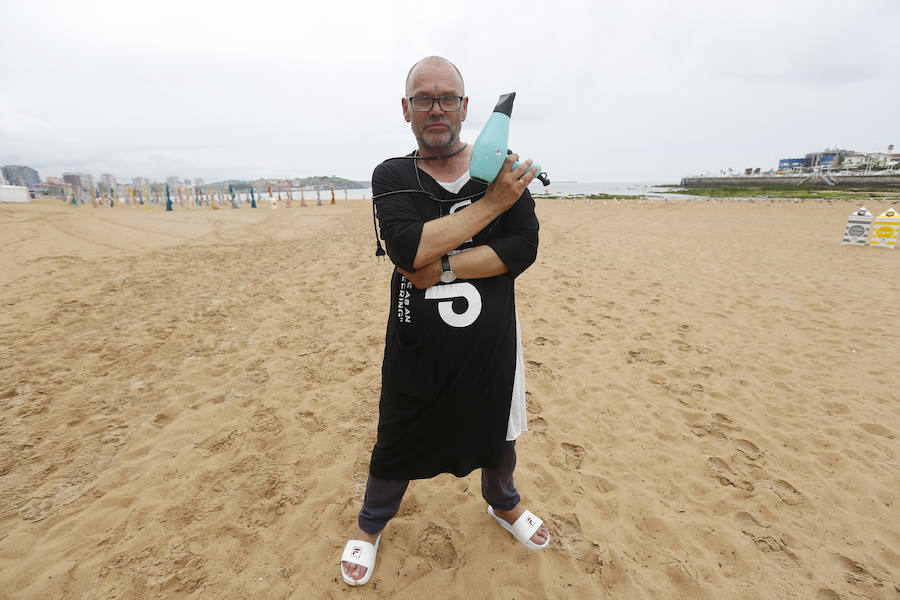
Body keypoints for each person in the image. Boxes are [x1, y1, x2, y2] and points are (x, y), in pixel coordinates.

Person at [340, 56, 550, 587]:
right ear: (406, 109)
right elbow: (408, 248)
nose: (437, 108)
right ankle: (370, 526)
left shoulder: (498, 166)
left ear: (465, 107)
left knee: (498, 427)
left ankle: (503, 504)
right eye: (424, 98)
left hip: (492, 336)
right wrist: (492, 206)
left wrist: (446, 265)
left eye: (448, 97)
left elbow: (522, 247)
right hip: (417, 337)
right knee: (399, 429)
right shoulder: (393, 174)